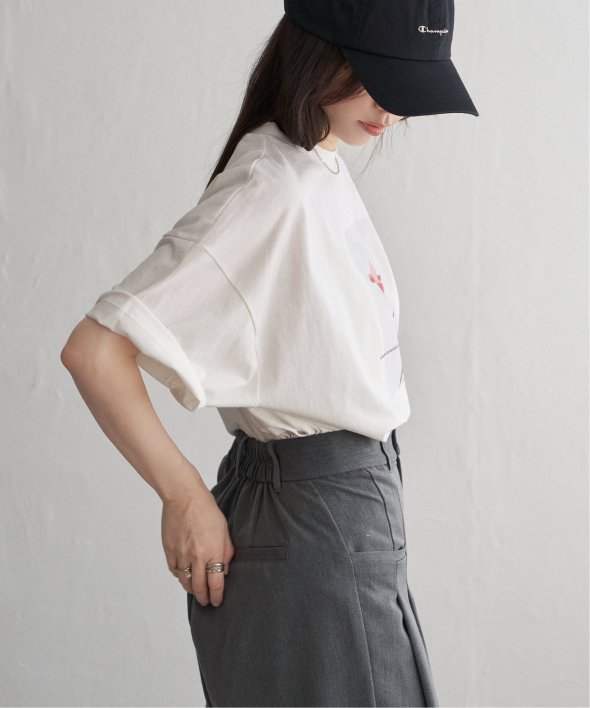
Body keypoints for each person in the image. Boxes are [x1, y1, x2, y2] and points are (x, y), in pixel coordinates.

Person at [61, 1, 478, 706]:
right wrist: (183, 495)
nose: (392, 110)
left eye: (406, 87)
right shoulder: (270, 188)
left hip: (336, 517)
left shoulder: (314, 165)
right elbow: (95, 351)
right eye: (376, 79)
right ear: (317, 53)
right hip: (317, 521)